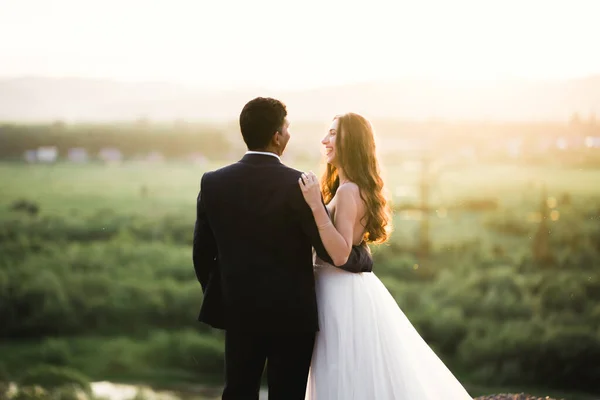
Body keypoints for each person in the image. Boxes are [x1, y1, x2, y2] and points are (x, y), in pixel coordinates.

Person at [193, 97, 373, 400]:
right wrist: (363, 258)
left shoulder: (213, 182)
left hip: (240, 311)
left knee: (237, 392)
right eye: (286, 128)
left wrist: (226, 295)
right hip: (293, 316)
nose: (288, 134)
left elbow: (202, 253)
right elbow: (330, 252)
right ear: (277, 136)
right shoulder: (299, 185)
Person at [299, 112, 473, 399]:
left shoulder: (346, 191)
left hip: (338, 292)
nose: (324, 140)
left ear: (350, 141)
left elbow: (341, 253)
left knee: (340, 370)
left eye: (332, 134)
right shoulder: (356, 188)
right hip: (346, 290)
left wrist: (316, 206)